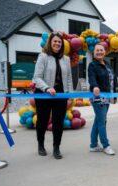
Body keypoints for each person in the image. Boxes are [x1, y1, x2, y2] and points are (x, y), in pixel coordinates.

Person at [33, 31, 73, 159]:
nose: (57, 43)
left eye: (59, 42)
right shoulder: (43, 56)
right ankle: (41, 145)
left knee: (58, 123)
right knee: (42, 121)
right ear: (50, 42)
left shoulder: (66, 59)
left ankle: (56, 147)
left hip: (60, 95)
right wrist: (47, 88)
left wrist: (70, 96)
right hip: (44, 95)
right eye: (55, 41)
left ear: (62, 44)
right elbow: (37, 78)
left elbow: (69, 80)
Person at [88, 44, 117, 155]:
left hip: (107, 97)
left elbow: (112, 81)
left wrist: (113, 96)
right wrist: (95, 86)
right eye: (97, 50)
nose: (99, 52)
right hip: (97, 97)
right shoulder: (92, 65)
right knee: (102, 121)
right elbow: (92, 77)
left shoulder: (107, 65)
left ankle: (93, 145)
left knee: (98, 120)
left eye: (101, 50)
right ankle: (106, 145)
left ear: (104, 52)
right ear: (94, 52)